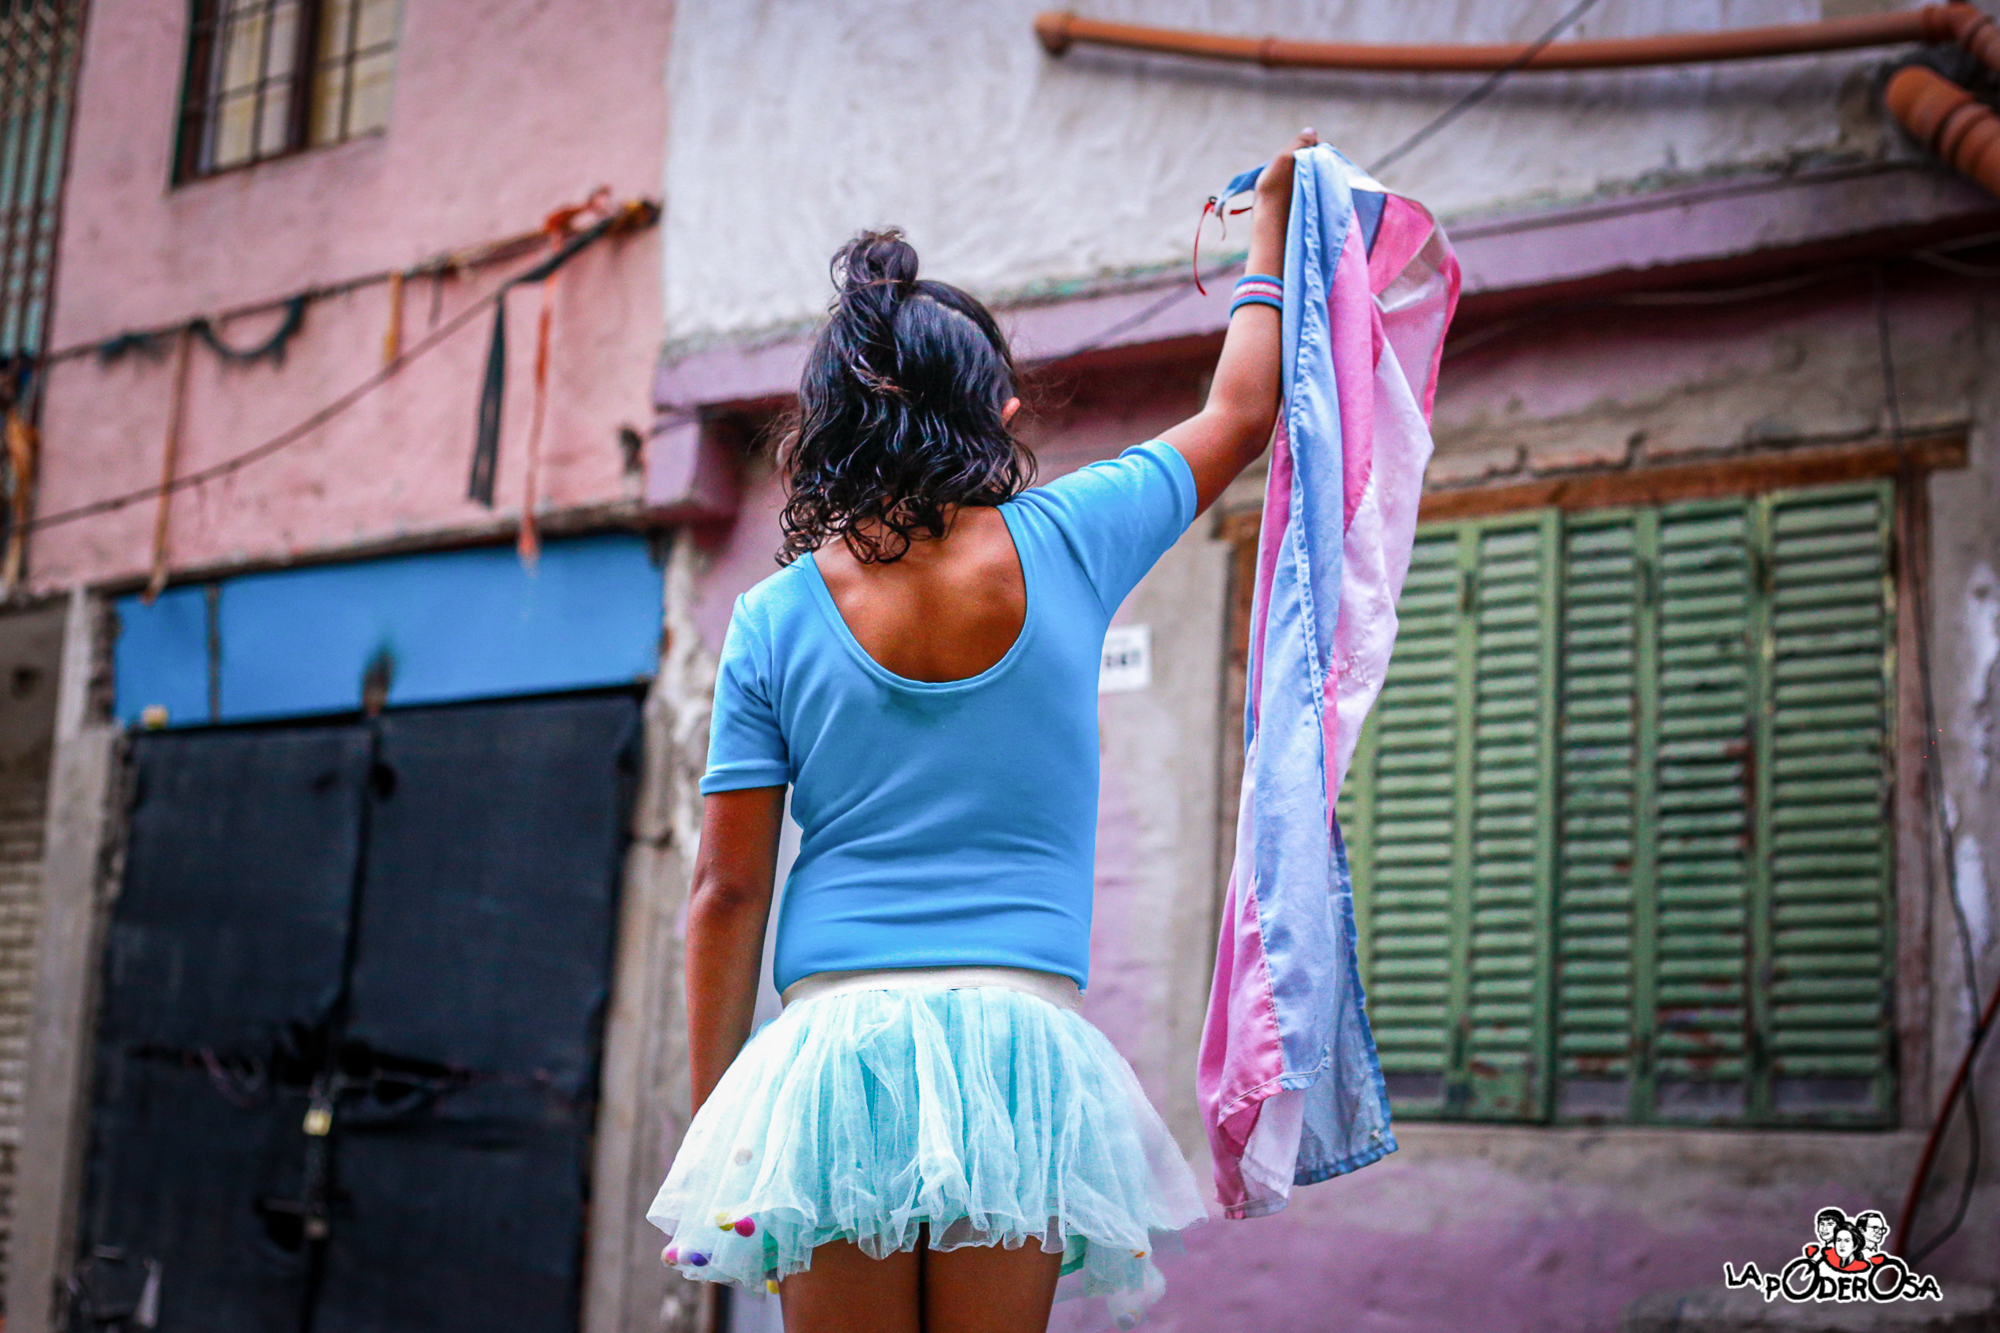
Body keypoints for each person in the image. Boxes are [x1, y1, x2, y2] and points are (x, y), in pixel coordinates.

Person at [646, 127, 1319, 1333]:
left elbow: (725, 892)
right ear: (995, 410)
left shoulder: (770, 618)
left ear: (828, 420)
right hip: (1018, 1046)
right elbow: (1240, 407)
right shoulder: (1072, 538)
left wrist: (723, 1127)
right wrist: (1270, 223)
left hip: (830, 1054)